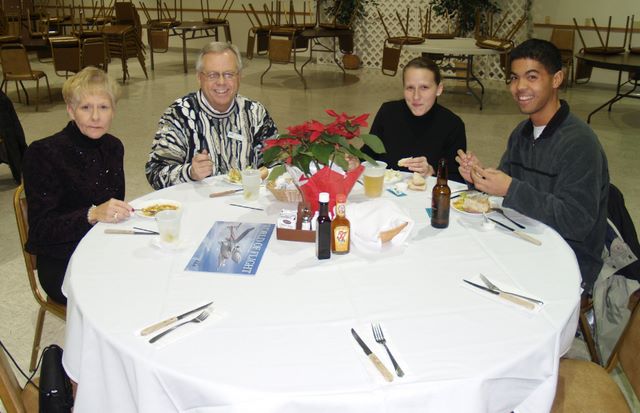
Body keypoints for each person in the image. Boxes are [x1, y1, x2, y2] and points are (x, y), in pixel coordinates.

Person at [456, 39, 609, 293]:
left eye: (532, 77)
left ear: (556, 79)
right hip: (523, 240)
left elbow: (577, 222)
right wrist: (479, 177)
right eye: (514, 78)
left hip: (568, 260)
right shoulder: (522, 133)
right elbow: (506, 189)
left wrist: (510, 188)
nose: (520, 87)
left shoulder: (580, 143)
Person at [22, 67, 132, 305]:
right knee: (124, 295)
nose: (96, 117)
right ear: (71, 110)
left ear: (113, 111)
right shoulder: (43, 153)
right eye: (86, 108)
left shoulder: (113, 147)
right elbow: (40, 228)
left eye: (103, 107)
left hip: (104, 246)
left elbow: (112, 207)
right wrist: (91, 214)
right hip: (62, 259)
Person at [146, 41, 278, 190]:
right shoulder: (179, 115)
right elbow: (155, 172)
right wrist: (189, 172)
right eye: (212, 75)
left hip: (246, 200)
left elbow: (277, 164)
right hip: (196, 201)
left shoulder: (255, 113)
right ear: (199, 77)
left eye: (229, 74)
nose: (221, 82)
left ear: (239, 77)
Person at [365, 56, 467, 182]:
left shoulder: (452, 125)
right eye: (410, 88)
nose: (416, 96)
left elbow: (457, 178)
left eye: (424, 87)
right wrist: (354, 161)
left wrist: (432, 171)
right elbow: (368, 154)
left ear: (439, 89)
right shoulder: (388, 112)